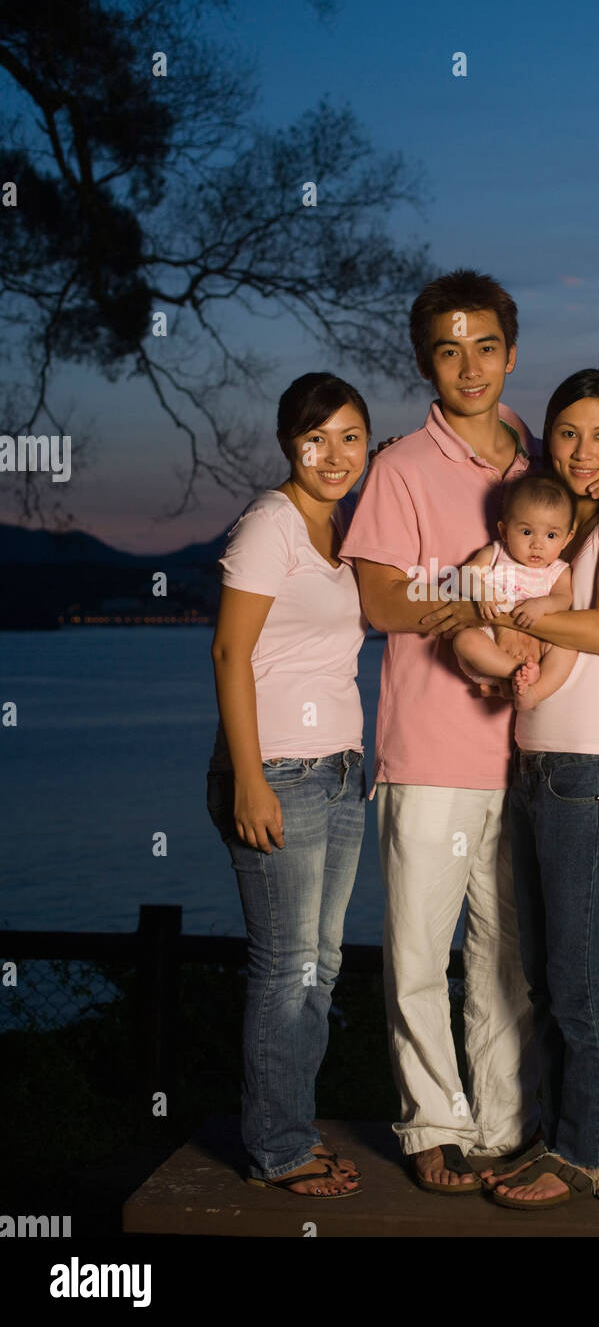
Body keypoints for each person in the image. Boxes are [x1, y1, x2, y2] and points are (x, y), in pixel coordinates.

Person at [339, 271, 599, 1192]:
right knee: (421, 956)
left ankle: (506, 1126)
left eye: (484, 347)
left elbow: (574, 572)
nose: (467, 365)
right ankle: (434, 1123)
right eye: (446, 347)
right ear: (424, 360)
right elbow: (378, 597)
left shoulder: (537, 463)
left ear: (510, 354)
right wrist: (468, 595)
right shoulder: (398, 466)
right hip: (429, 751)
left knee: (508, 962)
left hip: (526, 759)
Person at [470, 369, 599, 1208]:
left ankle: (587, 1151)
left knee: (580, 973)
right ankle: (558, 1136)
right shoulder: (559, 517)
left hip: (589, 766)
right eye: (569, 433)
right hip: (536, 759)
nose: (584, 451)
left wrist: (501, 621)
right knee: (549, 972)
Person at [206, 372, 370, 1198]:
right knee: (284, 967)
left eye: (349, 437)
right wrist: (247, 779)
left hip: (342, 772)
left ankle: (291, 1132)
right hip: (278, 772)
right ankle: (277, 1149)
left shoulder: (336, 529)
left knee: (322, 966)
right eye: (317, 438)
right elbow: (231, 654)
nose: (334, 454)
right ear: (289, 445)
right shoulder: (270, 523)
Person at [452, 473, 577, 694]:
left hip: (539, 645)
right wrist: (481, 591)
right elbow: (463, 576)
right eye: (527, 532)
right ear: (504, 531)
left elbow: (563, 599)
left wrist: (542, 605)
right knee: (465, 641)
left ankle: (536, 688)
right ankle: (514, 672)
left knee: (567, 648)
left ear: (567, 538)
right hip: (494, 643)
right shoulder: (495, 553)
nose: (537, 544)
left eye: (551, 535)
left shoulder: (558, 571)